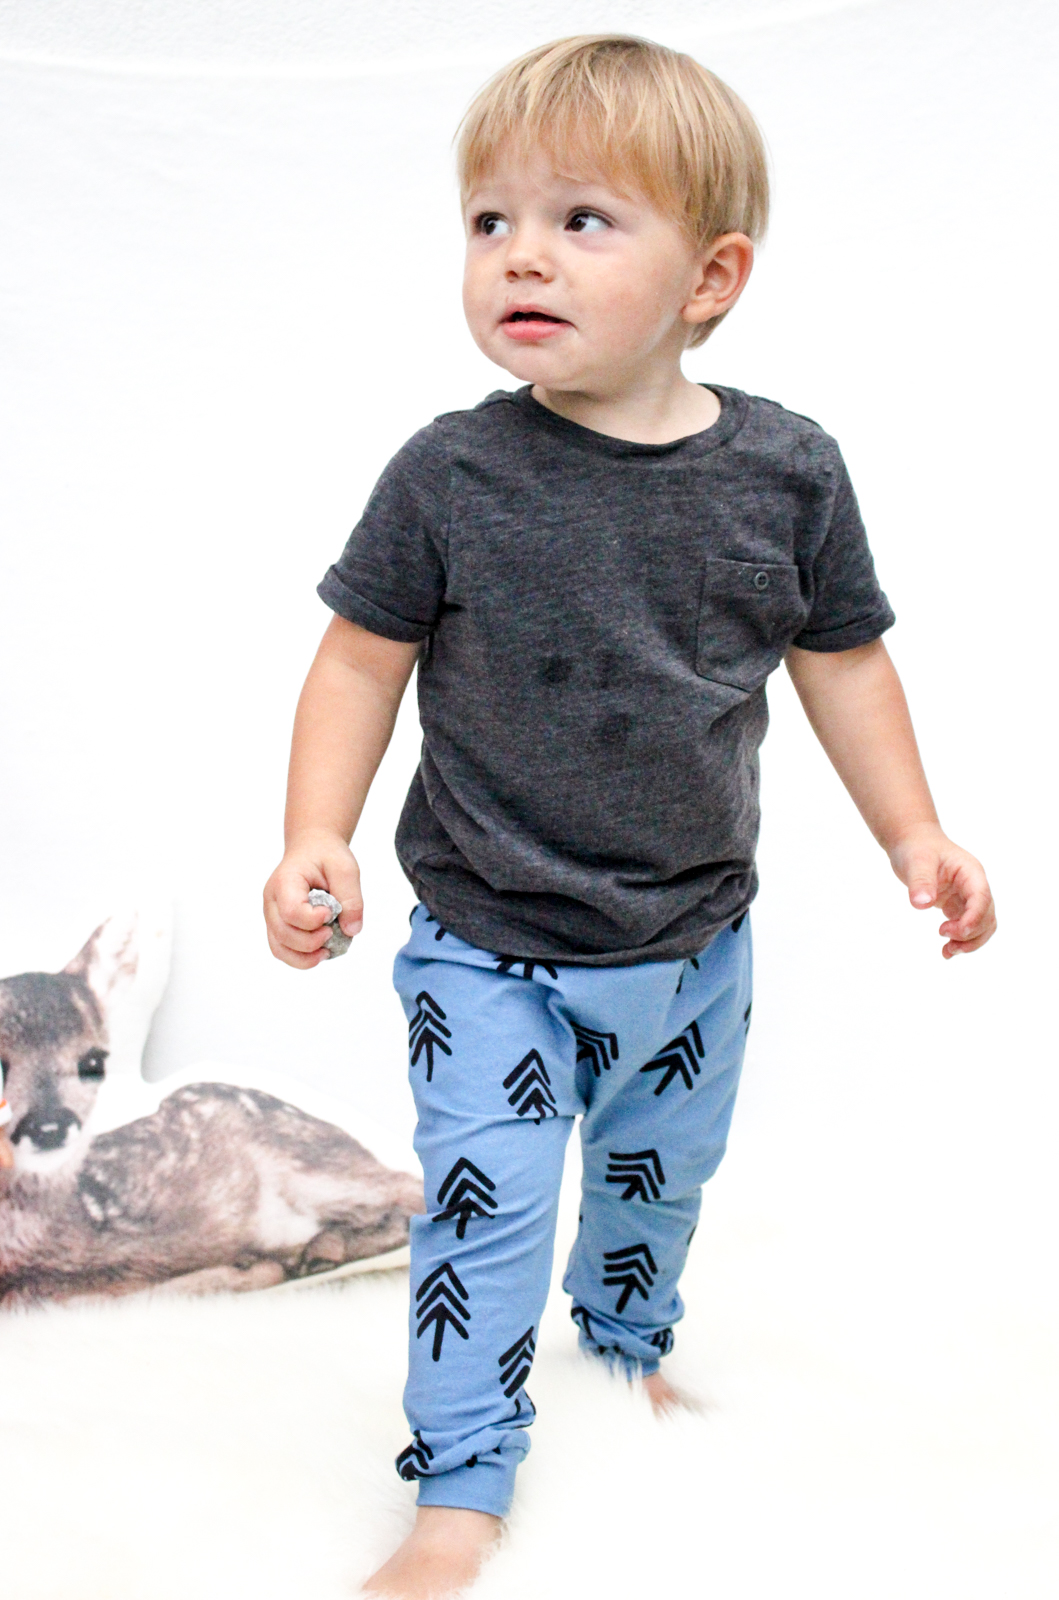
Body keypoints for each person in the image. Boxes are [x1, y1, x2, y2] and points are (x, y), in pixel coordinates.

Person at [263, 34, 996, 1599]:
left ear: (709, 276)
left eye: (582, 220)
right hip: (491, 950)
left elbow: (845, 663)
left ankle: (622, 1351)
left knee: (657, 1187)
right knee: (490, 1213)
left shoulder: (788, 473)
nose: (521, 254)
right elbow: (359, 658)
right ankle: (460, 1489)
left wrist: (916, 834)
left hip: (692, 946)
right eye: (490, 221)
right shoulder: (451, 474)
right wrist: (315, 831)